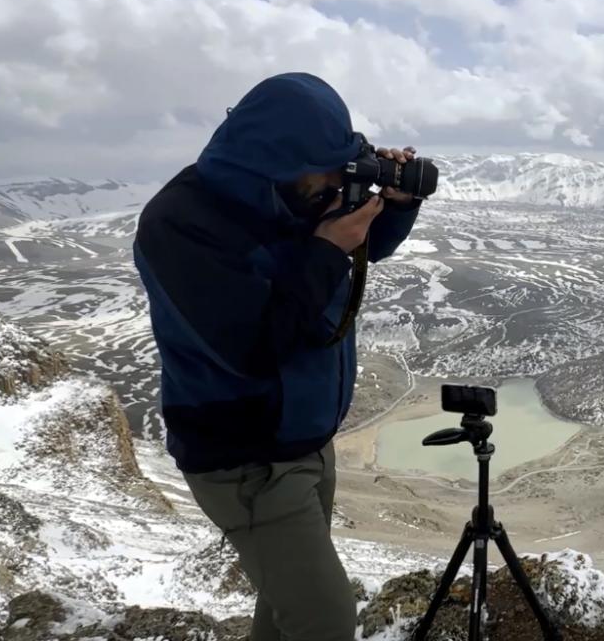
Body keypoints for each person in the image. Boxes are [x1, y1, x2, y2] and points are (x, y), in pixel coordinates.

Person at [134, 72, 422, 641]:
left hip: (304, 441)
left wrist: (393, 208)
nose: (335, 185)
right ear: (278, 163)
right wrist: (325, 249)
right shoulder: (181, 225)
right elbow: (251, 347)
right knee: (325, 619)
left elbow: (363, 248)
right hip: (246, 459)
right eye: (327, 172)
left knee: (283, 612)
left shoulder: (291, 194)